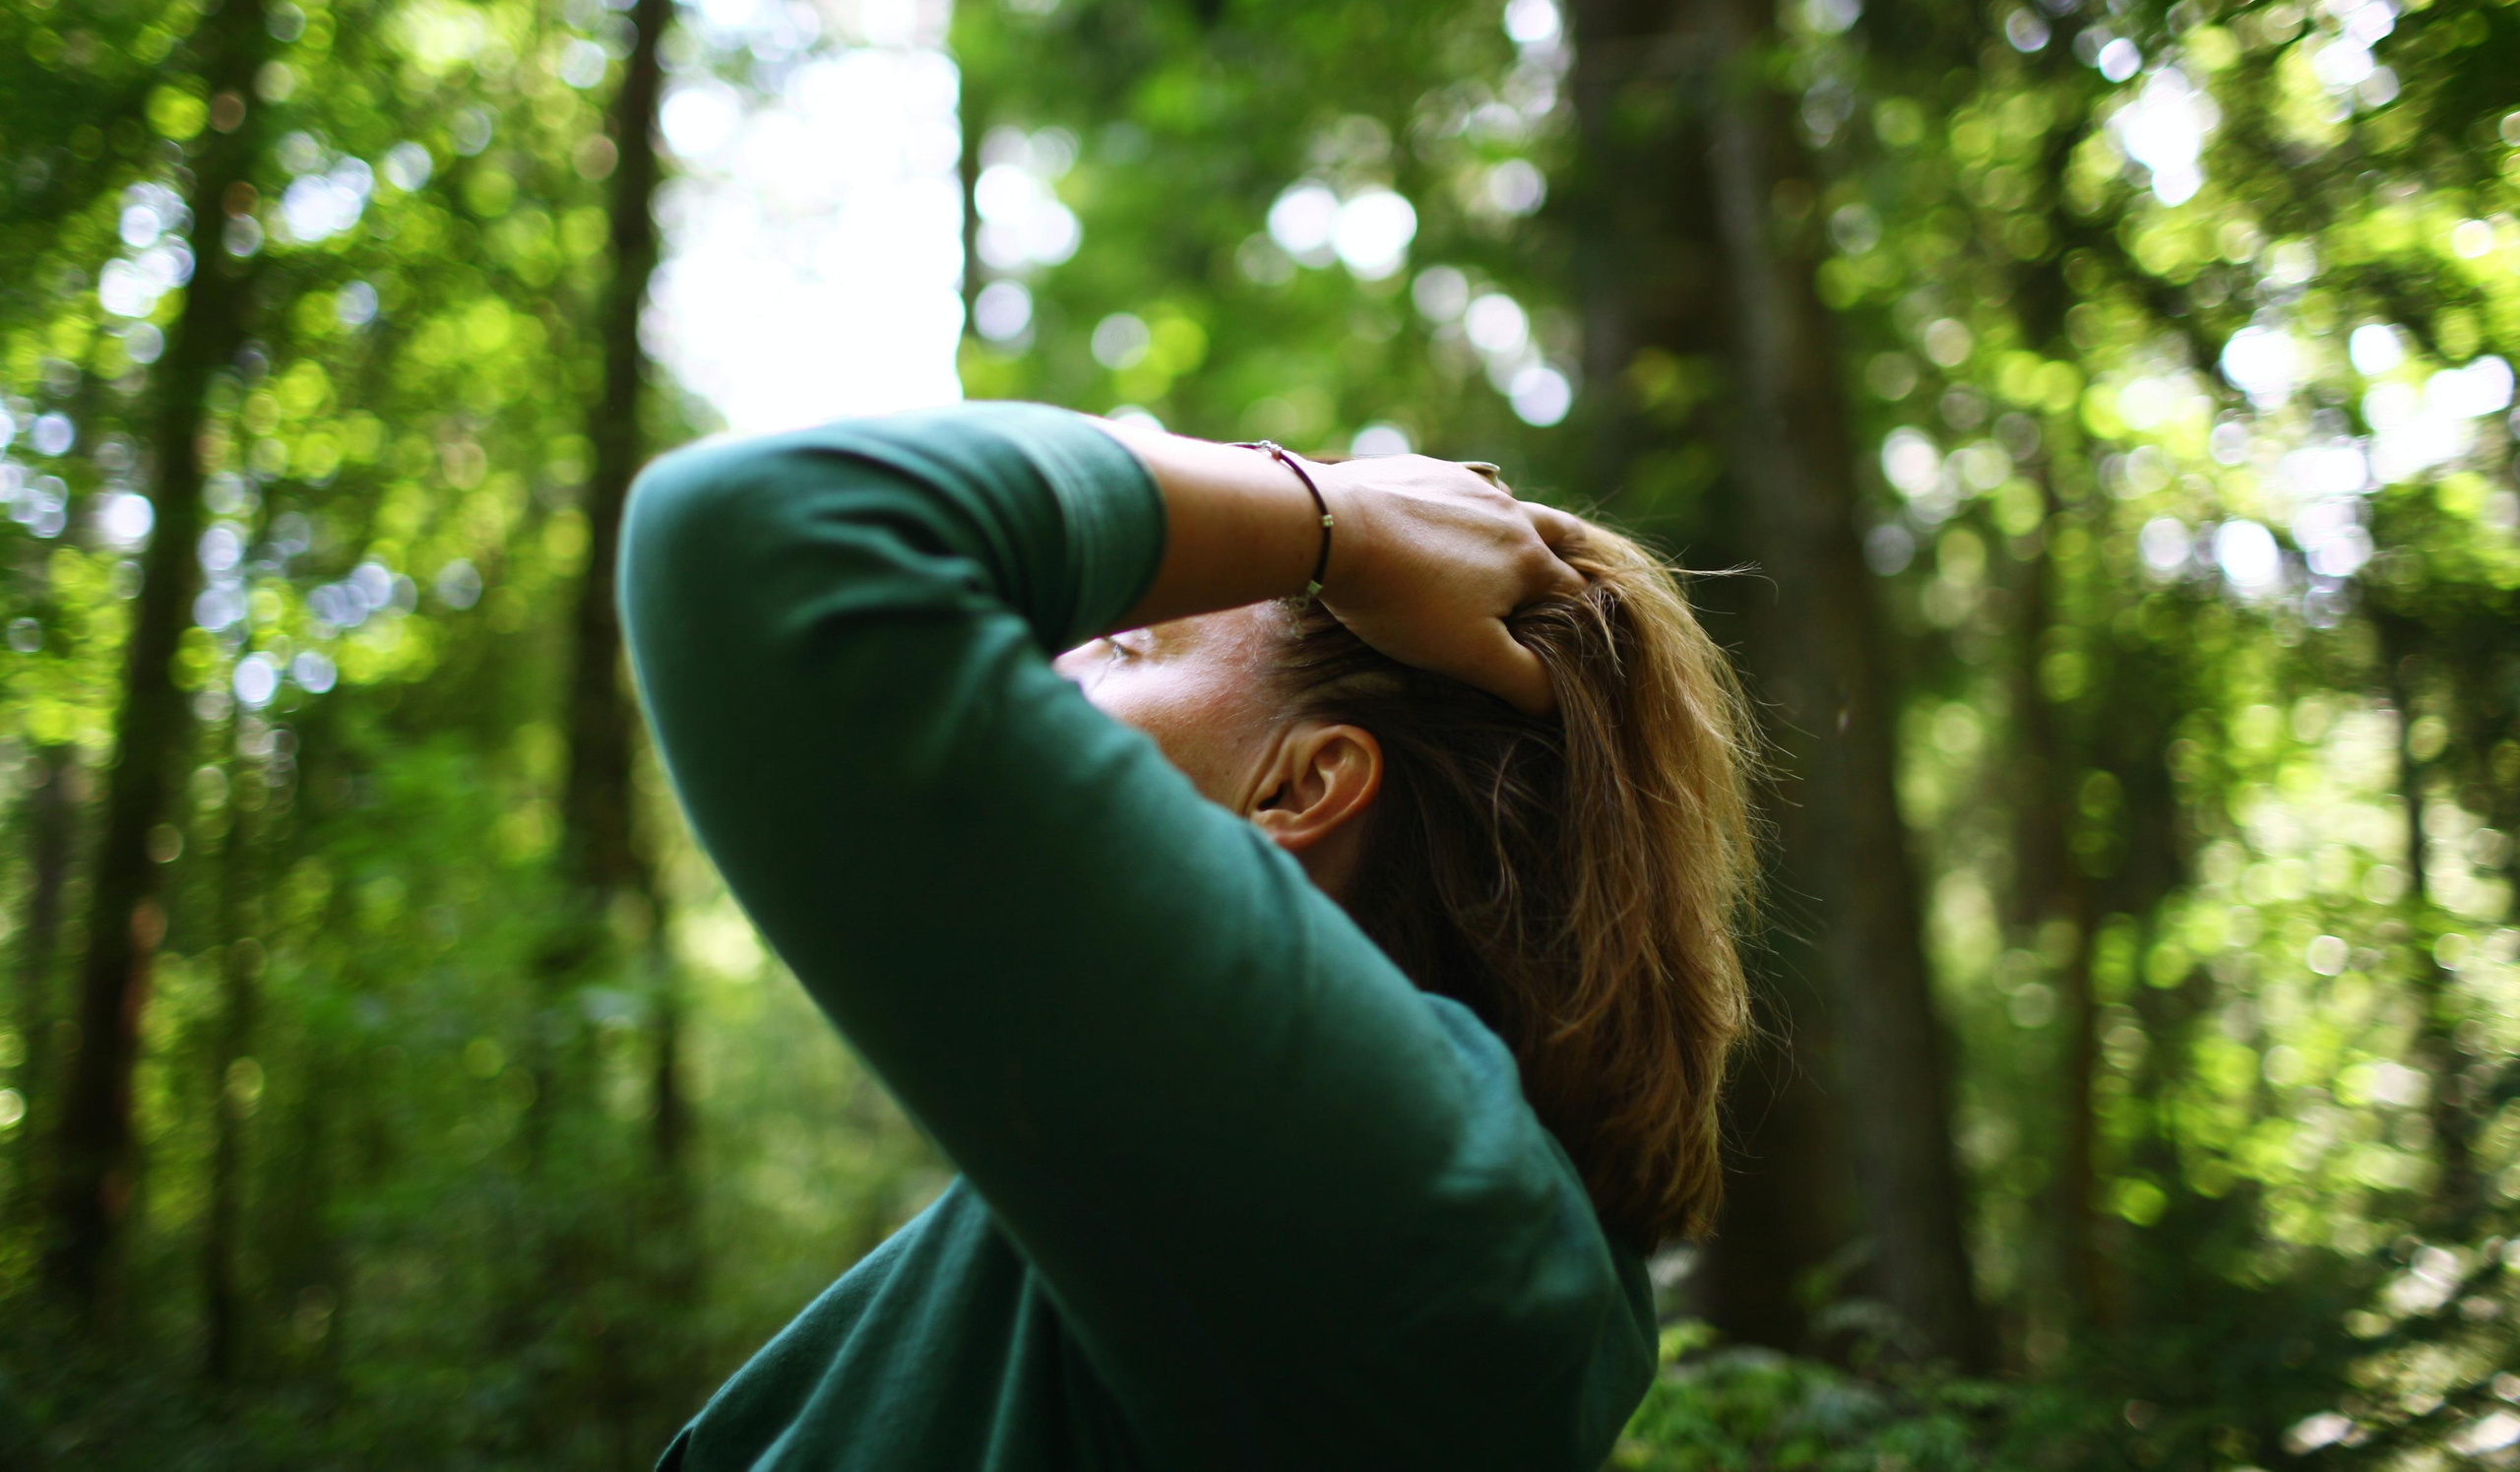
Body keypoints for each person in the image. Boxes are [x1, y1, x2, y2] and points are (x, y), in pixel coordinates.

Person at [620, 402, 1756, 1471]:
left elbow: (756, 529)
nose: (1045, 660)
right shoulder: (1258, 1177)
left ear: (1301, 786)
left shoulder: (1391, 1197)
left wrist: (1329, 516)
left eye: (1122, 647)